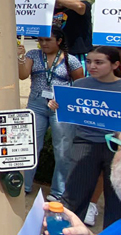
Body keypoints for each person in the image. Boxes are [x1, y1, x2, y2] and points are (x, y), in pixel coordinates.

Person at [48, 46, 121, 229]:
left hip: (119, 147)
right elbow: (68, 107)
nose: (92, 66)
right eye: (89, 62)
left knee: (118, 199)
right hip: (85, 143)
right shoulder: (79, 85)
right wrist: (56, 104)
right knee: (75, 193)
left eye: (99, 62)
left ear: (115, 64)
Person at [17, 28, 84, 200]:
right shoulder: (33, 55)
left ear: (59, 41)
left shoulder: (71, 60)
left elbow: (80, 85)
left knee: (62, 150)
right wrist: (20, 57)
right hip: (36, 104)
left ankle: (58, 191)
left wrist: (65, 100)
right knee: (29, 146)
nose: (43, 43)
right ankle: (25, 184)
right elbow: (23, 75)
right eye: (41, 40)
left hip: (60, 108)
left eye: (48, 40)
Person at [52, 0, 92, 72]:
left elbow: (80, 7)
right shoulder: (50, 10)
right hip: (57, 54)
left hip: (78, 54)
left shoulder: (83, 5)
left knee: (79, 83)